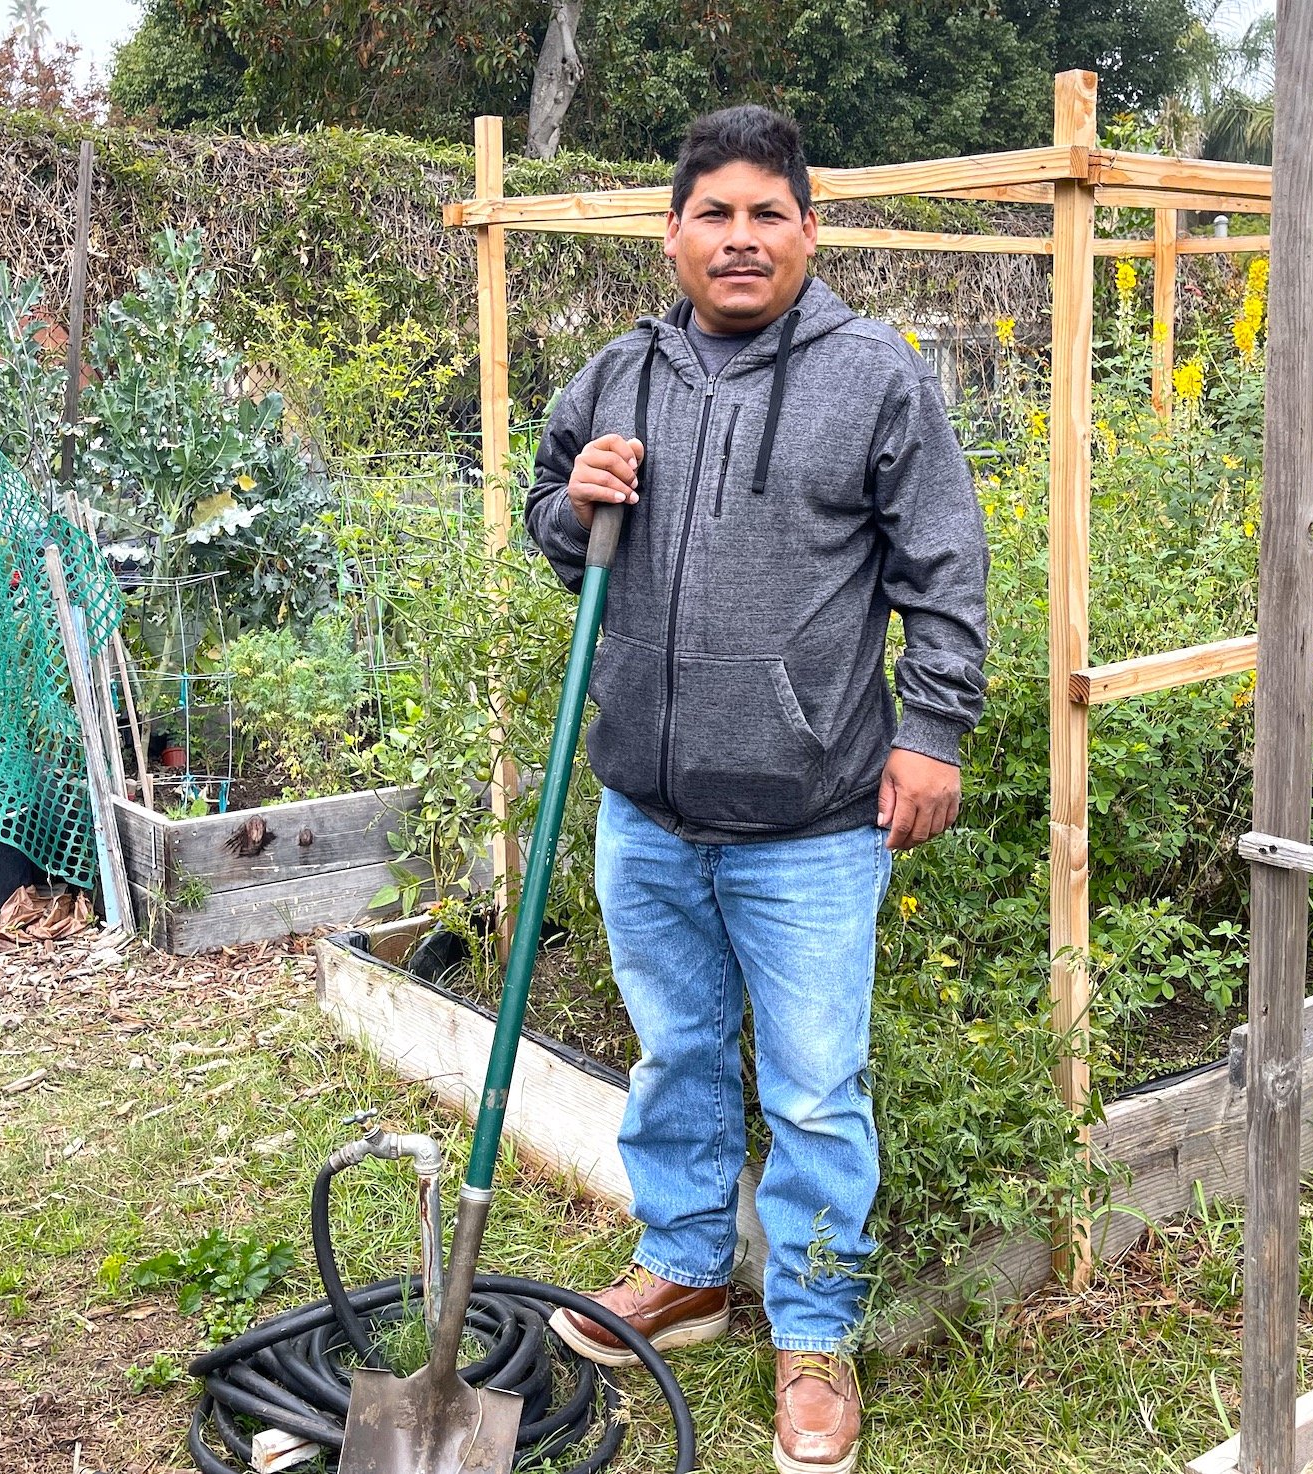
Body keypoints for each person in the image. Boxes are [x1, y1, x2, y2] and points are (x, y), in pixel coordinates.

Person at [524, 104, 987, 1474]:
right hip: (646, 808)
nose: (738, 238)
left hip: (811, 819)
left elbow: (942, 569)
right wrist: (572, 503)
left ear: (807, 227)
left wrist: (934, 732)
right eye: (712, 213)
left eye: (764, 213)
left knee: (814, 1092)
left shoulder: (873, 378)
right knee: (670, 1055)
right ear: (672, 233)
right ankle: (684, 1269)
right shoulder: (617, 374)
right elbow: (551, 518)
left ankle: (815, 1335)